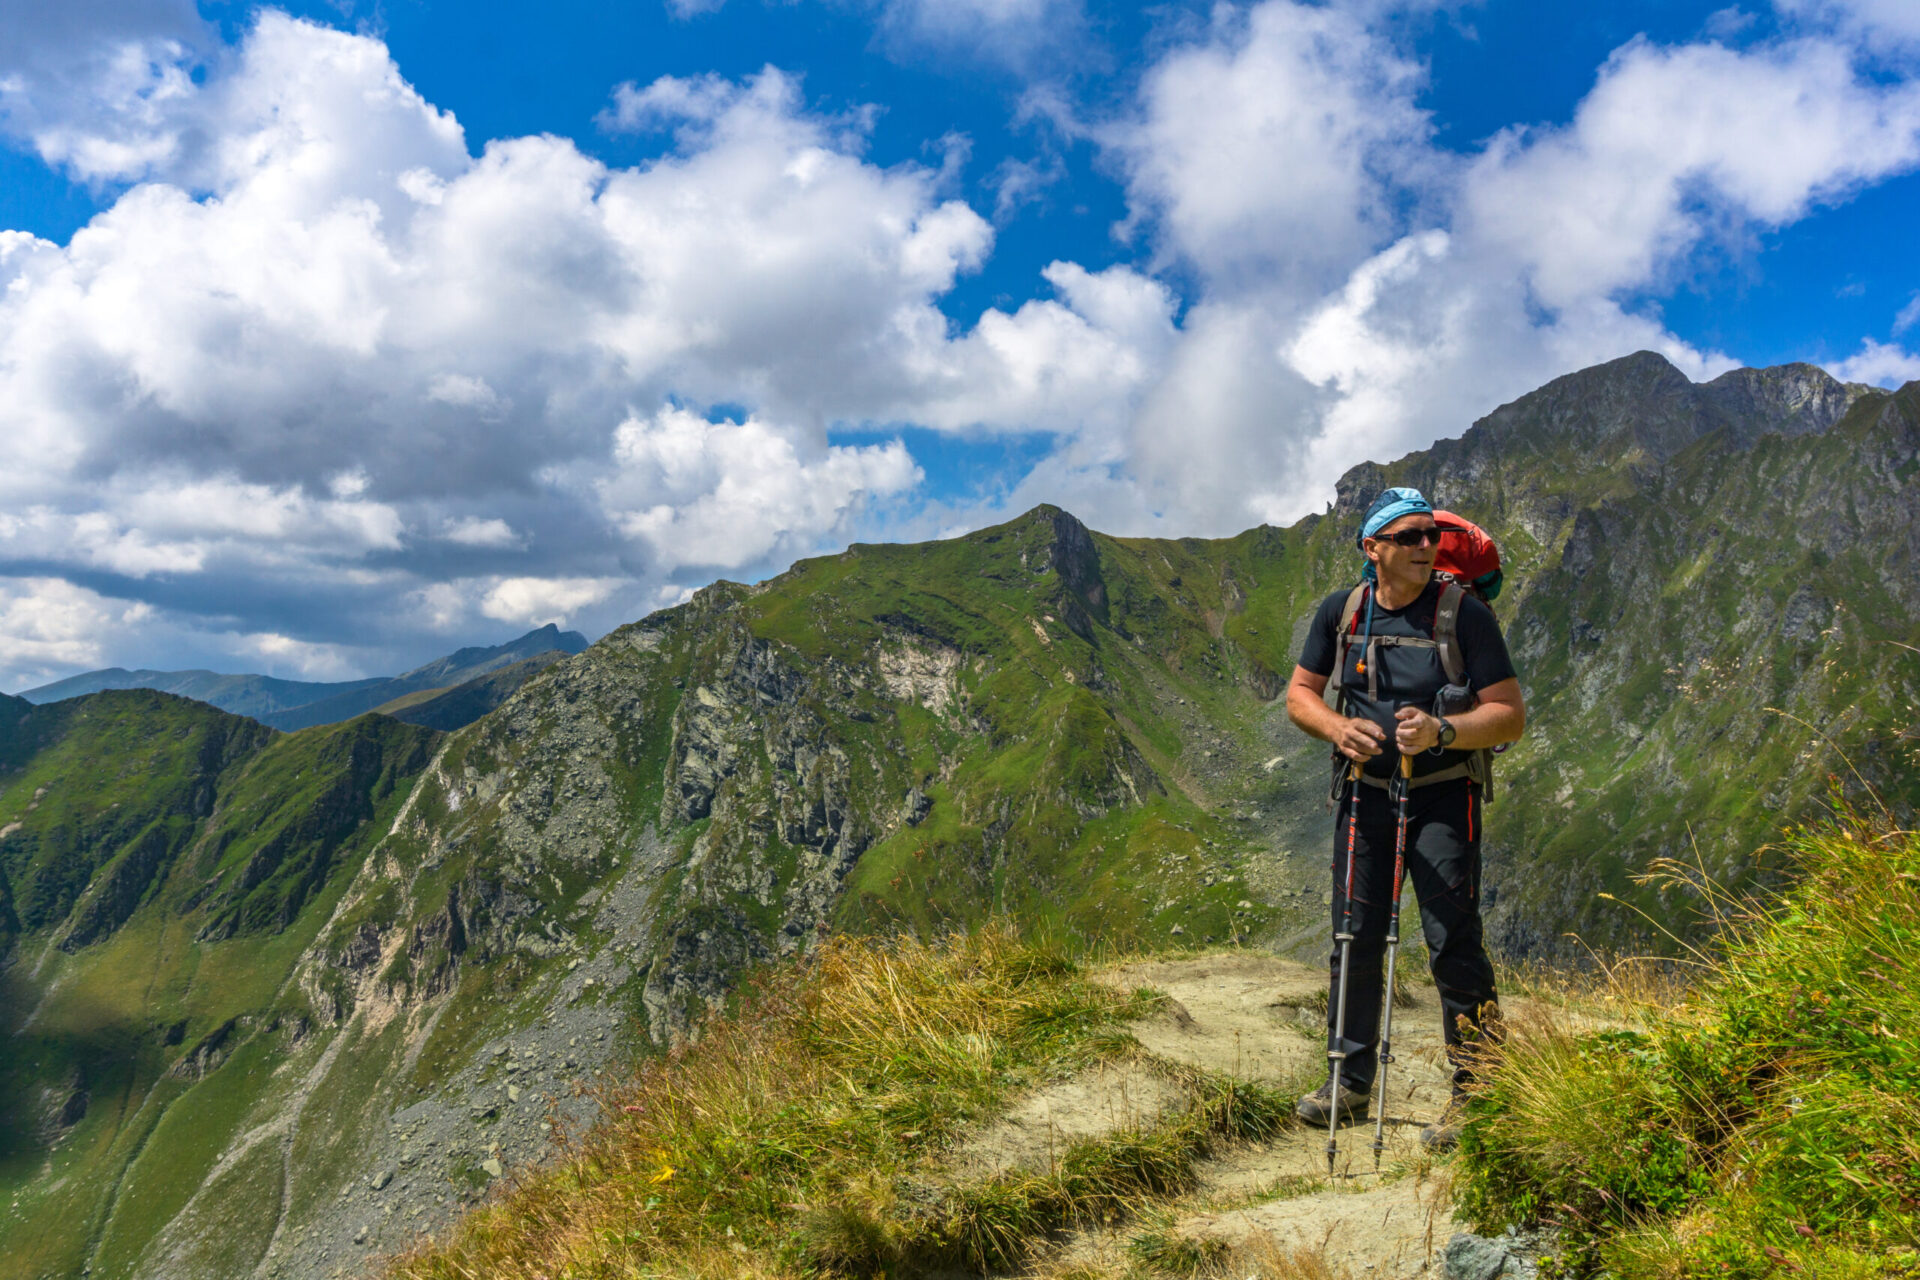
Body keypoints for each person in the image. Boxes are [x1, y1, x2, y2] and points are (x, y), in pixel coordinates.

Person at [1284, 487, 1526, 1149]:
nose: (1428, 547)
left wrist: (1443, 732)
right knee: (1354, 935)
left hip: (1444, 795)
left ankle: (1480, 1090)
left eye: (1432, 536)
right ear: (1374, 549)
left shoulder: (1464, 616)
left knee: (1453, 940)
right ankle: (1348, 1078)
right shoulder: (1343, 612)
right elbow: (1301, 695)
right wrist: (1338, 728)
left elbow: (1508, 714)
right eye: (1411, 538)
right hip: (1365, 791)